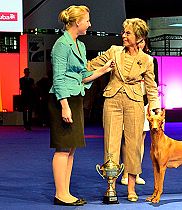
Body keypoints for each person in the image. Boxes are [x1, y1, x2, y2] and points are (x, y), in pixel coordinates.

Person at [87, 18, 161, 202]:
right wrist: (74, 69)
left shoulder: (147, 60)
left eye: (128, 33)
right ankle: (110, 186)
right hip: (112, 100)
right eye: (124, 32)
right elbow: (92, 65)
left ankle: (131, 187)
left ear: (139, 37)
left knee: (134, 145)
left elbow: (151, 88)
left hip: (135, 102)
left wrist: (154, 108)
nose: (123, 35)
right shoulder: (114, 51)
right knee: (110, 143)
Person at [48, 5, 114, 206]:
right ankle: (60, 194)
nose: (90, 24)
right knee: (62, 148)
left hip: (76, 98)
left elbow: (84, 77)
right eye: (87, 20)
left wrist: (103, 69)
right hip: (63, 100)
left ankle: (65, 192)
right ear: (77, 22)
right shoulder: (61, 45)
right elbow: (58, 79)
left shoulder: (80, 46)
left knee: (71, 149)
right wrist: (64, 106)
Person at [120, 37, 159, 186]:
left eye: (142, 41)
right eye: (137, 41)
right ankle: (125, 173)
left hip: (144, 103)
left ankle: (135, 173)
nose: (139, 44)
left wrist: (152, 105)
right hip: (128, 101)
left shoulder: (151, 60)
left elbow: (153, 84)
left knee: (140, 139)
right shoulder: (124, 58)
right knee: (127, 139)